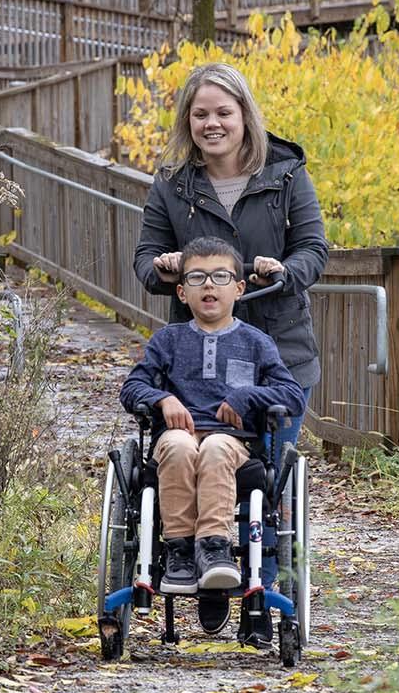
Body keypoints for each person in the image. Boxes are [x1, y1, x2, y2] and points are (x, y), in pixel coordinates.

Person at [132, 61, 326, 593]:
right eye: (200, 114)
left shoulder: (285, 174)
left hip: (279, 349)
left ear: (245, 115)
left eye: (223, 112)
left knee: (266, 477)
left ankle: (268, 593)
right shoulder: (173, 184)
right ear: (186, 121)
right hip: (196, 357)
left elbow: (314, 249)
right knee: (187, 453)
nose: (211, 123)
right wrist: (161, 269)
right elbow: (145, 258)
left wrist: (285, 274)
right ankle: (191, 559)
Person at [119, 237, 305, 600]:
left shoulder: (257, 343)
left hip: (232, 443)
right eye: (197, 277)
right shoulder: (167, 341)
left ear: (238, 289)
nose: (208, 285)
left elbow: (292, 396)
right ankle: (180, 551)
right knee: (175, 444)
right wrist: (163, 399)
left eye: (220, 277)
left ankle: (214, 547)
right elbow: (132, 388)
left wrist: (248, 394)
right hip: (178, 438)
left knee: (217, 447)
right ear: (181, 293)